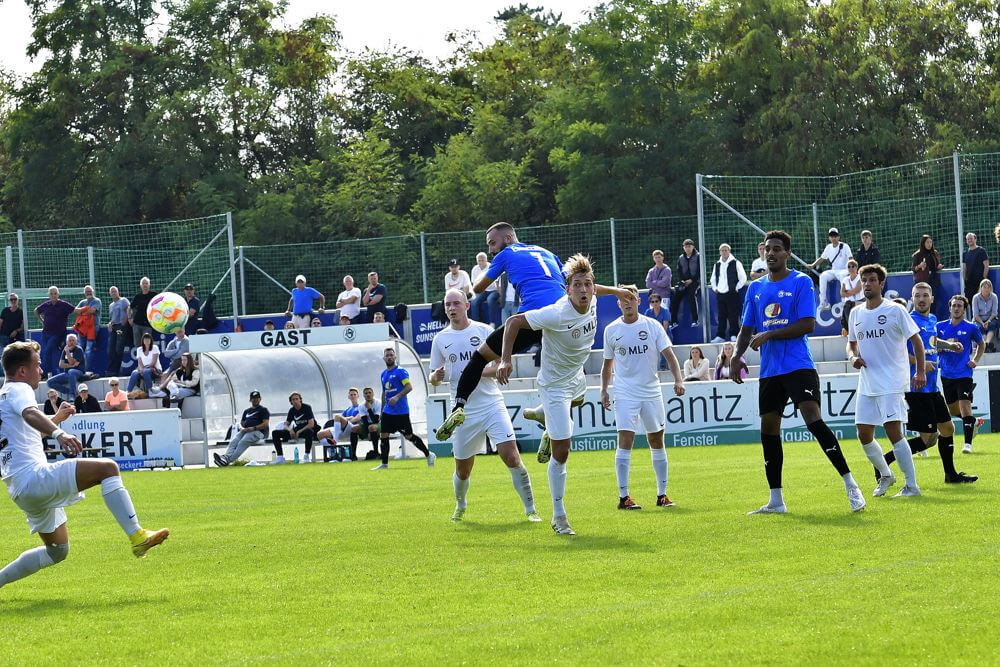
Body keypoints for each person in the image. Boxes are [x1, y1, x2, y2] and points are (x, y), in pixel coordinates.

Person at [434, 222, 635, 441]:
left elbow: (479, 288)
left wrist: (505, 359)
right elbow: (581, 284)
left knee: (479, 358)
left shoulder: (507, 253)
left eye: (493, 243)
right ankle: (550, 423)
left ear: (509, 238)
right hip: (562, 318)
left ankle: (458, 407)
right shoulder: (546, 252)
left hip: (531, 320)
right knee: (565, 386)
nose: (491, 249)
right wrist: (617, 291)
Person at [0, 341, 168, 591]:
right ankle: (137, 536)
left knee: (57, 552)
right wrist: (60, 433)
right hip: (34, 477)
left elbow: (24, 432)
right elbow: (30, 415)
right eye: (37, 365)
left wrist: (56, 419)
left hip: (20, 489)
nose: (42, 371)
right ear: (22, 371)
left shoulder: (3, 396)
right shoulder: (19, 388)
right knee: (108, 469)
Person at [732, 230, 865, 514]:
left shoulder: (801, 281)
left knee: (813, 419)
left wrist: (769, 335)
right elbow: (746, 329)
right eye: (767, 249)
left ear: (787, 254)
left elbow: (807, 325)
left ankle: (851, 485)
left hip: (798, 365)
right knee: (768, 429)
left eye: (777, 249)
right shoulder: (755, 289)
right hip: (770, 371)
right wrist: (735, 356)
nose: (771, 253)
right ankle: (776, 500)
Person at [495, 254, 599, 536]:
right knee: (562, 451)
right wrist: (506, 360)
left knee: (578, 402)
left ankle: (542, 415)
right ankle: (559, 515)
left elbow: (601, 289)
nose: (583, 290)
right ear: (567, 289)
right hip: (554, 385)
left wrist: (622, 291)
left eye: (587, 284)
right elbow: (514, 322)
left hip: (576, 377)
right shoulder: (556, 313)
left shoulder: (593, 298)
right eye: (577, 285)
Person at [430, 289, 539, 522]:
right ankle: (460, 505)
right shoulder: (440, 339)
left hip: (491, 403)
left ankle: (531, 510)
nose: (451, 308)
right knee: (463, 470)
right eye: (448, 304)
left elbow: (500, 365)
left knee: (511, 456)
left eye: (456, 303)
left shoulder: (484, 331)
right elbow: (433, 376)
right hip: (462, 411)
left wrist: (474, 371)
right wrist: (436, 377)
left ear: (466, 306)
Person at [873, 284, 977, 484]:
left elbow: (932, 341)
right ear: (912, 298)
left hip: (932, 387)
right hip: (916, 388)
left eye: (925, 295)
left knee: (947, 429)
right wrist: (920, 363)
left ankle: (950, 475)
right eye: (917, 295)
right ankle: (884, 462)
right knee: (929, 439)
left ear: (932, 298)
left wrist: (949, 345)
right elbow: (898, 352)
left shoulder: (931, 320)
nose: (921, 299)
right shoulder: (908, 319)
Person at [601, 284, 685, 510]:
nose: (627, 302)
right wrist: (604, 390)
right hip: (625, 392)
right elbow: (607, 364)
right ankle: (624, 497)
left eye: (631, 297)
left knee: (656, 440)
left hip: (651, 390)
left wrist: (678, 379)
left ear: (639, 301)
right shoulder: (611, 330)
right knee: (625, 440)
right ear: (618, 303)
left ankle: (662, 495)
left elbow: (670, 356)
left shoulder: (653, 326)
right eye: (623, 298)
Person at [847, 264, 925, 498]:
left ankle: (912, 486)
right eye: (864, 280)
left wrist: (920, 372)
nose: (868, 284)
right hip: (867, 381)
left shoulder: (895, 310)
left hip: (891, 381)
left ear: (881, 284)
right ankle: (886, 474)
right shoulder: (855, 313)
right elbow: (851, 343)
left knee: (894, 433)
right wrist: (852, 357)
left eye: (872, 280)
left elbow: (917, 342)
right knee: (863, 434)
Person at [373, 347, 435, 470]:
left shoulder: (401, 371)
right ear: (384, 358)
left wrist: (397, 397)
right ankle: (384, 464)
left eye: (391, 355)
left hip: (401, 411)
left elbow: (409, 387)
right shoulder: (383, 374)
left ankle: (429, 455)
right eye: (387, 355)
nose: (389, 357)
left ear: (395, 357)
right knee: (383, 434)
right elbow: (384, 392)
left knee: (408, 436)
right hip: (387, 411)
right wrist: (381, 412)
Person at [937, 295, 984, 454]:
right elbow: (932, 342)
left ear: (964, 309)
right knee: (952, 410)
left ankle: (967, 445)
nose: (956, 308)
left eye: (960, 306)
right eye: (954, 305)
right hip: (946, 374)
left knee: (965, 406)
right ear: (950, 308)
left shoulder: (971, 327)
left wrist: (975, 360)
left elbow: (981, 344)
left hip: (964, 373)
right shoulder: (940, 326)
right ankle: (974, 422)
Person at [214, 391, 270, 466]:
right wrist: (241, 428)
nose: (255, 400)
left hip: (259, 432)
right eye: (253, 398)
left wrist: (252, 428)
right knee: (234, 440)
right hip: (246, 431)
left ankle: (227, 460)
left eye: (257, 398)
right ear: (250, 400)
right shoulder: (247, 411)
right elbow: (242, 423)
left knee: (243, 441)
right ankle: (225, 458)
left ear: (260, 399)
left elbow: (265, 424)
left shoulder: (263, 410)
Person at [710, 243, 747, 343]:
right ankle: (720, 336)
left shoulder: (735, 263)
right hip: (720, 293)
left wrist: (736, 287)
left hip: (732, 293)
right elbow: (713, 279)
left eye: (726, 250)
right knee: (721, 315)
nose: (724, 252)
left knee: (733, 315)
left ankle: (734, 334)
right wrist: (715, 288)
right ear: (720, 252)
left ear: (729, 251)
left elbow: (743, 277)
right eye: (722, 250)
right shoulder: (717, 264)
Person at [34, 286, 74, 378]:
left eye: (55, 293)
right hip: (45, 333)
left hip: (57, 334)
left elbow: (75, 310)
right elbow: (36, 311)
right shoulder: (46, 304)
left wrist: (85, 310)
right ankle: (52, 373)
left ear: (58, 294)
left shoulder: (63, 304)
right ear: (49, 295)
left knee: (48, 352)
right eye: (51, 293)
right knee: (47, 352)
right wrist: (42, 321)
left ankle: (44, 374)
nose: (53, 295)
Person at [317, 388, 366, 461]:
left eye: (354, 394)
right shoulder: (348, 409)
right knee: (320, 434)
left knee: (337, 416)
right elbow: (339, 420)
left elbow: (356, 419)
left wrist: (347, 419)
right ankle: (333, 456)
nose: (353, 396)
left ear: (358, 396)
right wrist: (349, 418)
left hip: (353, 429)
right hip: (341, 429)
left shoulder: (361, 407)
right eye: (351, 395)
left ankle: (335, 440)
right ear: (348, 396)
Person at [809, 228, 852, 310]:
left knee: (843, 276)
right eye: (832, 236)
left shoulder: (845, 246)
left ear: (839, 237)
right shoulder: (828, 247)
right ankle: (823, 302)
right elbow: (822, 258)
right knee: (823, 276)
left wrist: (851, 269)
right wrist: (812, 265)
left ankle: (844, 300)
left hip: (844, 270)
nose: (833, 238)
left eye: (835, 236)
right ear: (829, 238)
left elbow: (851, 258)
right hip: (834, 270)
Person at [270, 392, 318, 464]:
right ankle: (280, 457)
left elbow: (311, 424)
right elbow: (286, 424)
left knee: (309, 431)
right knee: (275, 433)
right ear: (291, 402)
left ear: (300, 400)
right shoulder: (292, 410)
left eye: (297, 399)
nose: (295, 401)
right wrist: (290, 430)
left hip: (305, 430)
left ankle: (306, 456)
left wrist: (299, 431)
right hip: (296, 431)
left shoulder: (307, 407)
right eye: (293, 399)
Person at [71, 285, 102, 376]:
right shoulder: (82, 302)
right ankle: (79, 369)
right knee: (80, 348)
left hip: (92, 330)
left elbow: (92, 311)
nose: (88, 293)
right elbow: (75, 311)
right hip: (81, 330)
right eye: (87, 291)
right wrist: (85, 310)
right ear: (84, 293)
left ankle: (85, 370)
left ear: (93, 292)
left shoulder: (97, 301)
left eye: (90, 291)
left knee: (88, 350)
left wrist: (82, 311)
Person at [912, 234, 945, 318]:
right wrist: (920, 266)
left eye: (931, 242)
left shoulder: (934, 253)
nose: (929, 244)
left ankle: (932, 319)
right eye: (927, 242)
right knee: (923, 301)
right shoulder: (918, 254)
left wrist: (938, 267)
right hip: (923, 281)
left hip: (934, 280)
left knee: (933, 301)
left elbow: (936, 266)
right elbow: (913, 268)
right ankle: (922, 318)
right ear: (923, 243)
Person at [47, 333, 86, 399]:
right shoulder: (64, 350)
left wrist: (67, 352)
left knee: (71, 371)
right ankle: (69, 391)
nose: (71, 342)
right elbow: (61, 365)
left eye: (73, 340)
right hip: (67, 374)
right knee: (49, 382)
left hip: (79, 372)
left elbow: (71, 362)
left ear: (76, 341)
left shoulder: (78, 350)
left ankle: (72, 395)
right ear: (67, 342)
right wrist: (72, 365)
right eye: (70, 341)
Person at [670, 239, 699, 325]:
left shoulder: (698, 256)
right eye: (685, 247)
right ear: (683, 248)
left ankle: (695, 320)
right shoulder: (681, 258)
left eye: (689, 246)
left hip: (695, 281)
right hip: (684, 282)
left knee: (691, 295)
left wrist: (692, 280)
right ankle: (674, 321)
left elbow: (699, 271)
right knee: (676, 297)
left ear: (693, 247)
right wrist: (683, 280)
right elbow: (679, 270)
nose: (687, 248)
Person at [126, 333, 163, 398]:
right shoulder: (139, 349)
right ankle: (128, 392)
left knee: (146, 371)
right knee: (134, 372)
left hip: (155, 369)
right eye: (145, 339)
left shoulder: (155, 348)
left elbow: (153, 362)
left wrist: (144, 369)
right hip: (144, 369)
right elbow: (139, 363)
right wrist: (141, 369)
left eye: (148, 338)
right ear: (142, 340)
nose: (147, 340)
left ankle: (151, 391)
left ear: (151, 340)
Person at [106, 286, 130, 377]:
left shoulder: (124, 300)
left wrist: (126, 320)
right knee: (111, 349)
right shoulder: (111, 305)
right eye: (112, 292)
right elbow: (112, 318)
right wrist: (109, 324)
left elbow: (129, 310)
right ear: (110, 294)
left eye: (115, 291)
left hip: (120, 327)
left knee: (118, 348)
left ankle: (117, 370)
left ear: (118, 292)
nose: (113, 293)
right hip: (114, 328)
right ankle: (111, 371)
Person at [469, 252, 499, 325]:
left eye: (482, 260)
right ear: (477, 261)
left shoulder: (491, 267)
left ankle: (492, 322)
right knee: (474, 302)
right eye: (479, 260)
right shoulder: (474, 269)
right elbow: (474, 284)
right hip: (482, 291)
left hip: (493, 290)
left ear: (486, 260)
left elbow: (497, 281)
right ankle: (476, 323)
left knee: (490, 300)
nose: (481, 262)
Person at [644, 292, 671, 371]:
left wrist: (658, 337)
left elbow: (665, 326)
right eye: (652, 302)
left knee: (664, 346)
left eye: (656, 301)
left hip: (665, 334)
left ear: (660, 302)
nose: (655, 303)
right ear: (650, 303)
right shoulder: (648, 312)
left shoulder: (665, 311)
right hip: (651, 335)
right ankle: (649, 367)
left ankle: (663, 366)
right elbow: (646, 325)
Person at [129, 277, 158, 348]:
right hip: (137, 324)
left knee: (147, 344)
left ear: (149, 285)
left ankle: (148, 358)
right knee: (137, 345)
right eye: (143, 283)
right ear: (140, 285)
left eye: (146, 283)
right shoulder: (138, 296)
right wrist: (129, 318)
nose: (145, 285)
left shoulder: (154, 295)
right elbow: (129, 307)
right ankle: (139, 359)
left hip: (148, 324)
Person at [972, 279, 998, 352]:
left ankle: (986, 343)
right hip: (978, 319)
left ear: (991, 288)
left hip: (990, 318)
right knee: (979, 327)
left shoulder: (994, 297)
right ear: (981, 288)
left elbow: (994, 313)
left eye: (988, 287)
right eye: (984, 287)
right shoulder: (976, 297)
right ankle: (986, 345)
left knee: (993, 324)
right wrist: (983, 323)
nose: (987, 289)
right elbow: (975, 314)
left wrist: (988, 321)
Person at [962, 233, 989, 305]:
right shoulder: (965, 253)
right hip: (969, 283)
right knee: (970, 303)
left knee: (981, 301)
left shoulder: (981, 251)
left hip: (980, 281)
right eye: (968, 239)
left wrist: (983, 279)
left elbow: (986, 265)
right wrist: (964, 280)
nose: (969, 240)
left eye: (971, 238)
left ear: (975, 239)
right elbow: (964, 268)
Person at [839, 259, 863, 336]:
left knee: (857, 321)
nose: (851, 268)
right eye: (849, 267)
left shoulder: (860, 278)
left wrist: (847, 292)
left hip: (858, 302)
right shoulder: (845, 279)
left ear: (856, 267)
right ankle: (849, 333)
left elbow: (858, 290)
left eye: (853, 266)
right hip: (848, 303)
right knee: (846, 320)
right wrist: (851, 292)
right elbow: (842, 293)